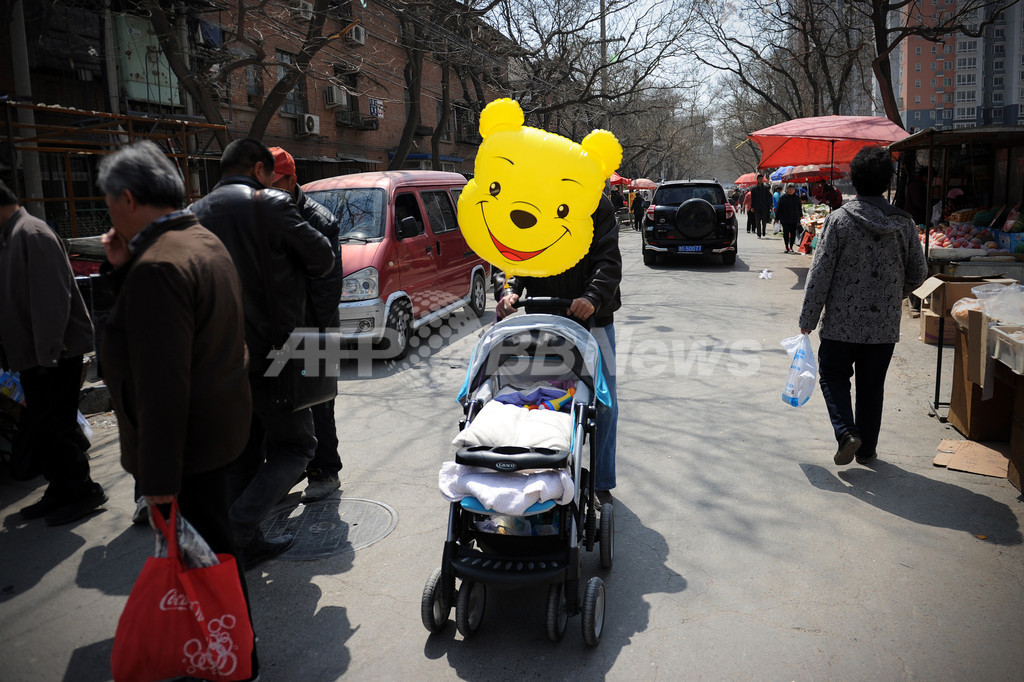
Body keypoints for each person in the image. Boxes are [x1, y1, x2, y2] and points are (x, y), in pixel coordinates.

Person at [95, 141, 259, 677]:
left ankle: (233, 655)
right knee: (214, 553)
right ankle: (233, 650)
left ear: (125, 199)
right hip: (218, 431)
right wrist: (120, 268)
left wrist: (157, 477)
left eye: (108, 202)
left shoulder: (160, 266)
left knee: (207, 562)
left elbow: (162, 384)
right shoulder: (199, 239)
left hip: (187, 446)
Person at [190, 138, 334, 568]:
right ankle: (234, 528)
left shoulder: (193, 216)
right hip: (276, 349)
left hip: (217, 354)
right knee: (297, 446)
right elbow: (324, 259)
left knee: (244, 449)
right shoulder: (270, 205)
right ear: (258, 170)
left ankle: (240, 542)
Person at [798, 146, 928, 467]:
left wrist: (808, 318)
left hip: (840, 324)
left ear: (854, 180)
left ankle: (846, 434)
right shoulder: (904, 224)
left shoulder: (838, 221)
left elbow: (820, 274)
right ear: (887, 182)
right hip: (883, 327)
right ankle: (867, 450)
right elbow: (919, 273)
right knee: (872, 387)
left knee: (832, 375)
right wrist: (892, 295)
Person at [494, 194, 621, 505]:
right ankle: (538, 469)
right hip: (541, 318)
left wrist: (592, 296)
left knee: (602, 402)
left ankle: (601, 483)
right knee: (540, 396)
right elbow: (511, 256)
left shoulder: (595, 203)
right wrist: (508, 290)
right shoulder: (524, 196)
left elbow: (608, 259)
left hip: (593, 318)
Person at [0, 180, 107, 526]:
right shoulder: (14, 235)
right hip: (35, 354)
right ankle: (61, 488)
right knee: (43, 429)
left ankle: (83, 489)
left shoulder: (32, 234)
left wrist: (47, 355)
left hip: (53, 354)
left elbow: (52, 301)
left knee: (56, 427)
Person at [269, 146, 344, 503]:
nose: (268, 190)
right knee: (279, 403)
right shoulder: (265, 215)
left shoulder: (318, 220)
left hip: (315, 326)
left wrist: (310, 334)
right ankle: (291, 466)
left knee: (318, 403)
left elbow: (327, 286)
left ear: (291, 180)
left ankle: (325, 471)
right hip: (277, 328)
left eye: (275, 183)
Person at [776, 183, 803, 254]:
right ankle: (786, 246)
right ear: (787, 189)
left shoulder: (797, 198)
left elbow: (799, 208)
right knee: (786, 233)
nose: (791, 190)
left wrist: (800, 215)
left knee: (793, 233)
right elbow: (779, 208)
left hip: (794, 218)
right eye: (789, 189)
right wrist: (777, 218)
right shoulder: (783, 198)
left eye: (792, 189)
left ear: (794, 190)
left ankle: (791, 246)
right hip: (785, 219)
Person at [750, 173, 772, 238]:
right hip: (756, 207)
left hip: (765, 207)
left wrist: (770, 205)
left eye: (761, 179)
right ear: (757, 180)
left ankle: (764, 231)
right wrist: (752, 207)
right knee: (757, 221)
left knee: (764, 221)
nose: (760, 180)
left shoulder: (765, 188)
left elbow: (769, 197)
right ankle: (759, 233)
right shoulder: (754, 189)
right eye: (759, 179)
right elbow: (752, 199)